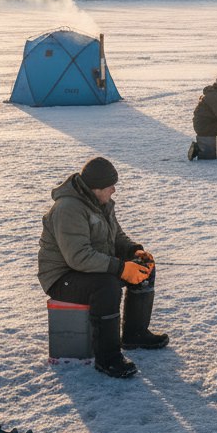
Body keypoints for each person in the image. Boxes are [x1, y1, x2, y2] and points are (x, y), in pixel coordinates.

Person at [38, 157, 169, 380]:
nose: (114, 190)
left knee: (143, 267)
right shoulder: (68, 209)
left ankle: (135, 334)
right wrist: (119, 269)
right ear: (95, 188)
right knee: (107, 286)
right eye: (110, 186)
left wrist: (133, 252)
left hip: (92, 266)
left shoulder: (101, 202)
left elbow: (116, 235)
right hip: (62, 277)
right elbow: (78, 257)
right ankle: (107, 357)